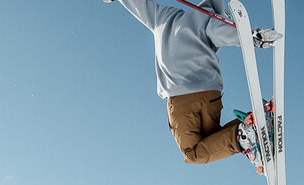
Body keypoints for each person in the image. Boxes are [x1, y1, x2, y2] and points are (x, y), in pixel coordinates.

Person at [107, 0, 280, 167]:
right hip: (210, 95)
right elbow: (229, 34)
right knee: (213, 142)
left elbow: (141, 5)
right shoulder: (207, 19)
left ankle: (245, 135)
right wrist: (256, 37)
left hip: (182, 98)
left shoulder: (163, 17)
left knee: (192, 153)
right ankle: (253, 127)